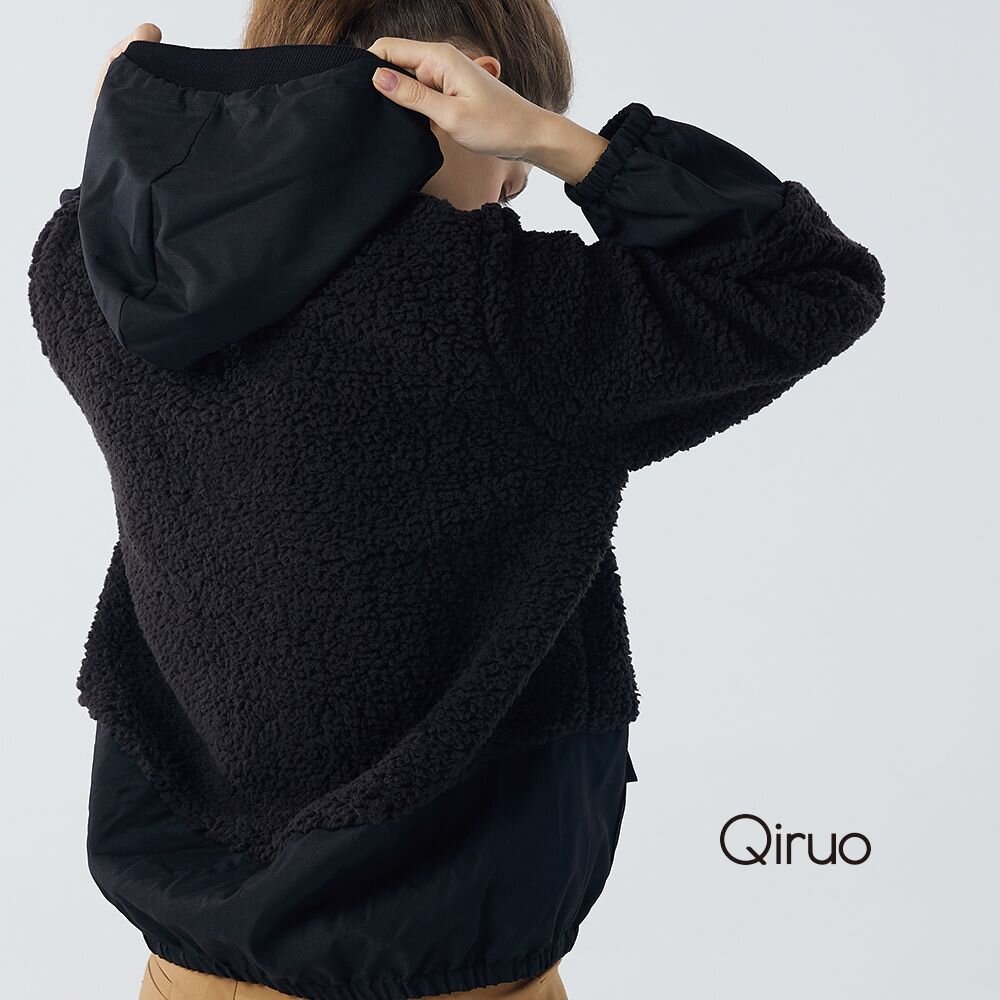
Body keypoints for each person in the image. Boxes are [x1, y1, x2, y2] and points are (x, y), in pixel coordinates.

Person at [27, 3, 885, 999]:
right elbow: (815, 284)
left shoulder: (96, 284)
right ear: (462, 90)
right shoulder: (499, 310)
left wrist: (149, 139)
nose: (514, 187)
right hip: (451, 967)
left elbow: (102, 225)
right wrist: (560, 143)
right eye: (510, 150)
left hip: (188, 966)